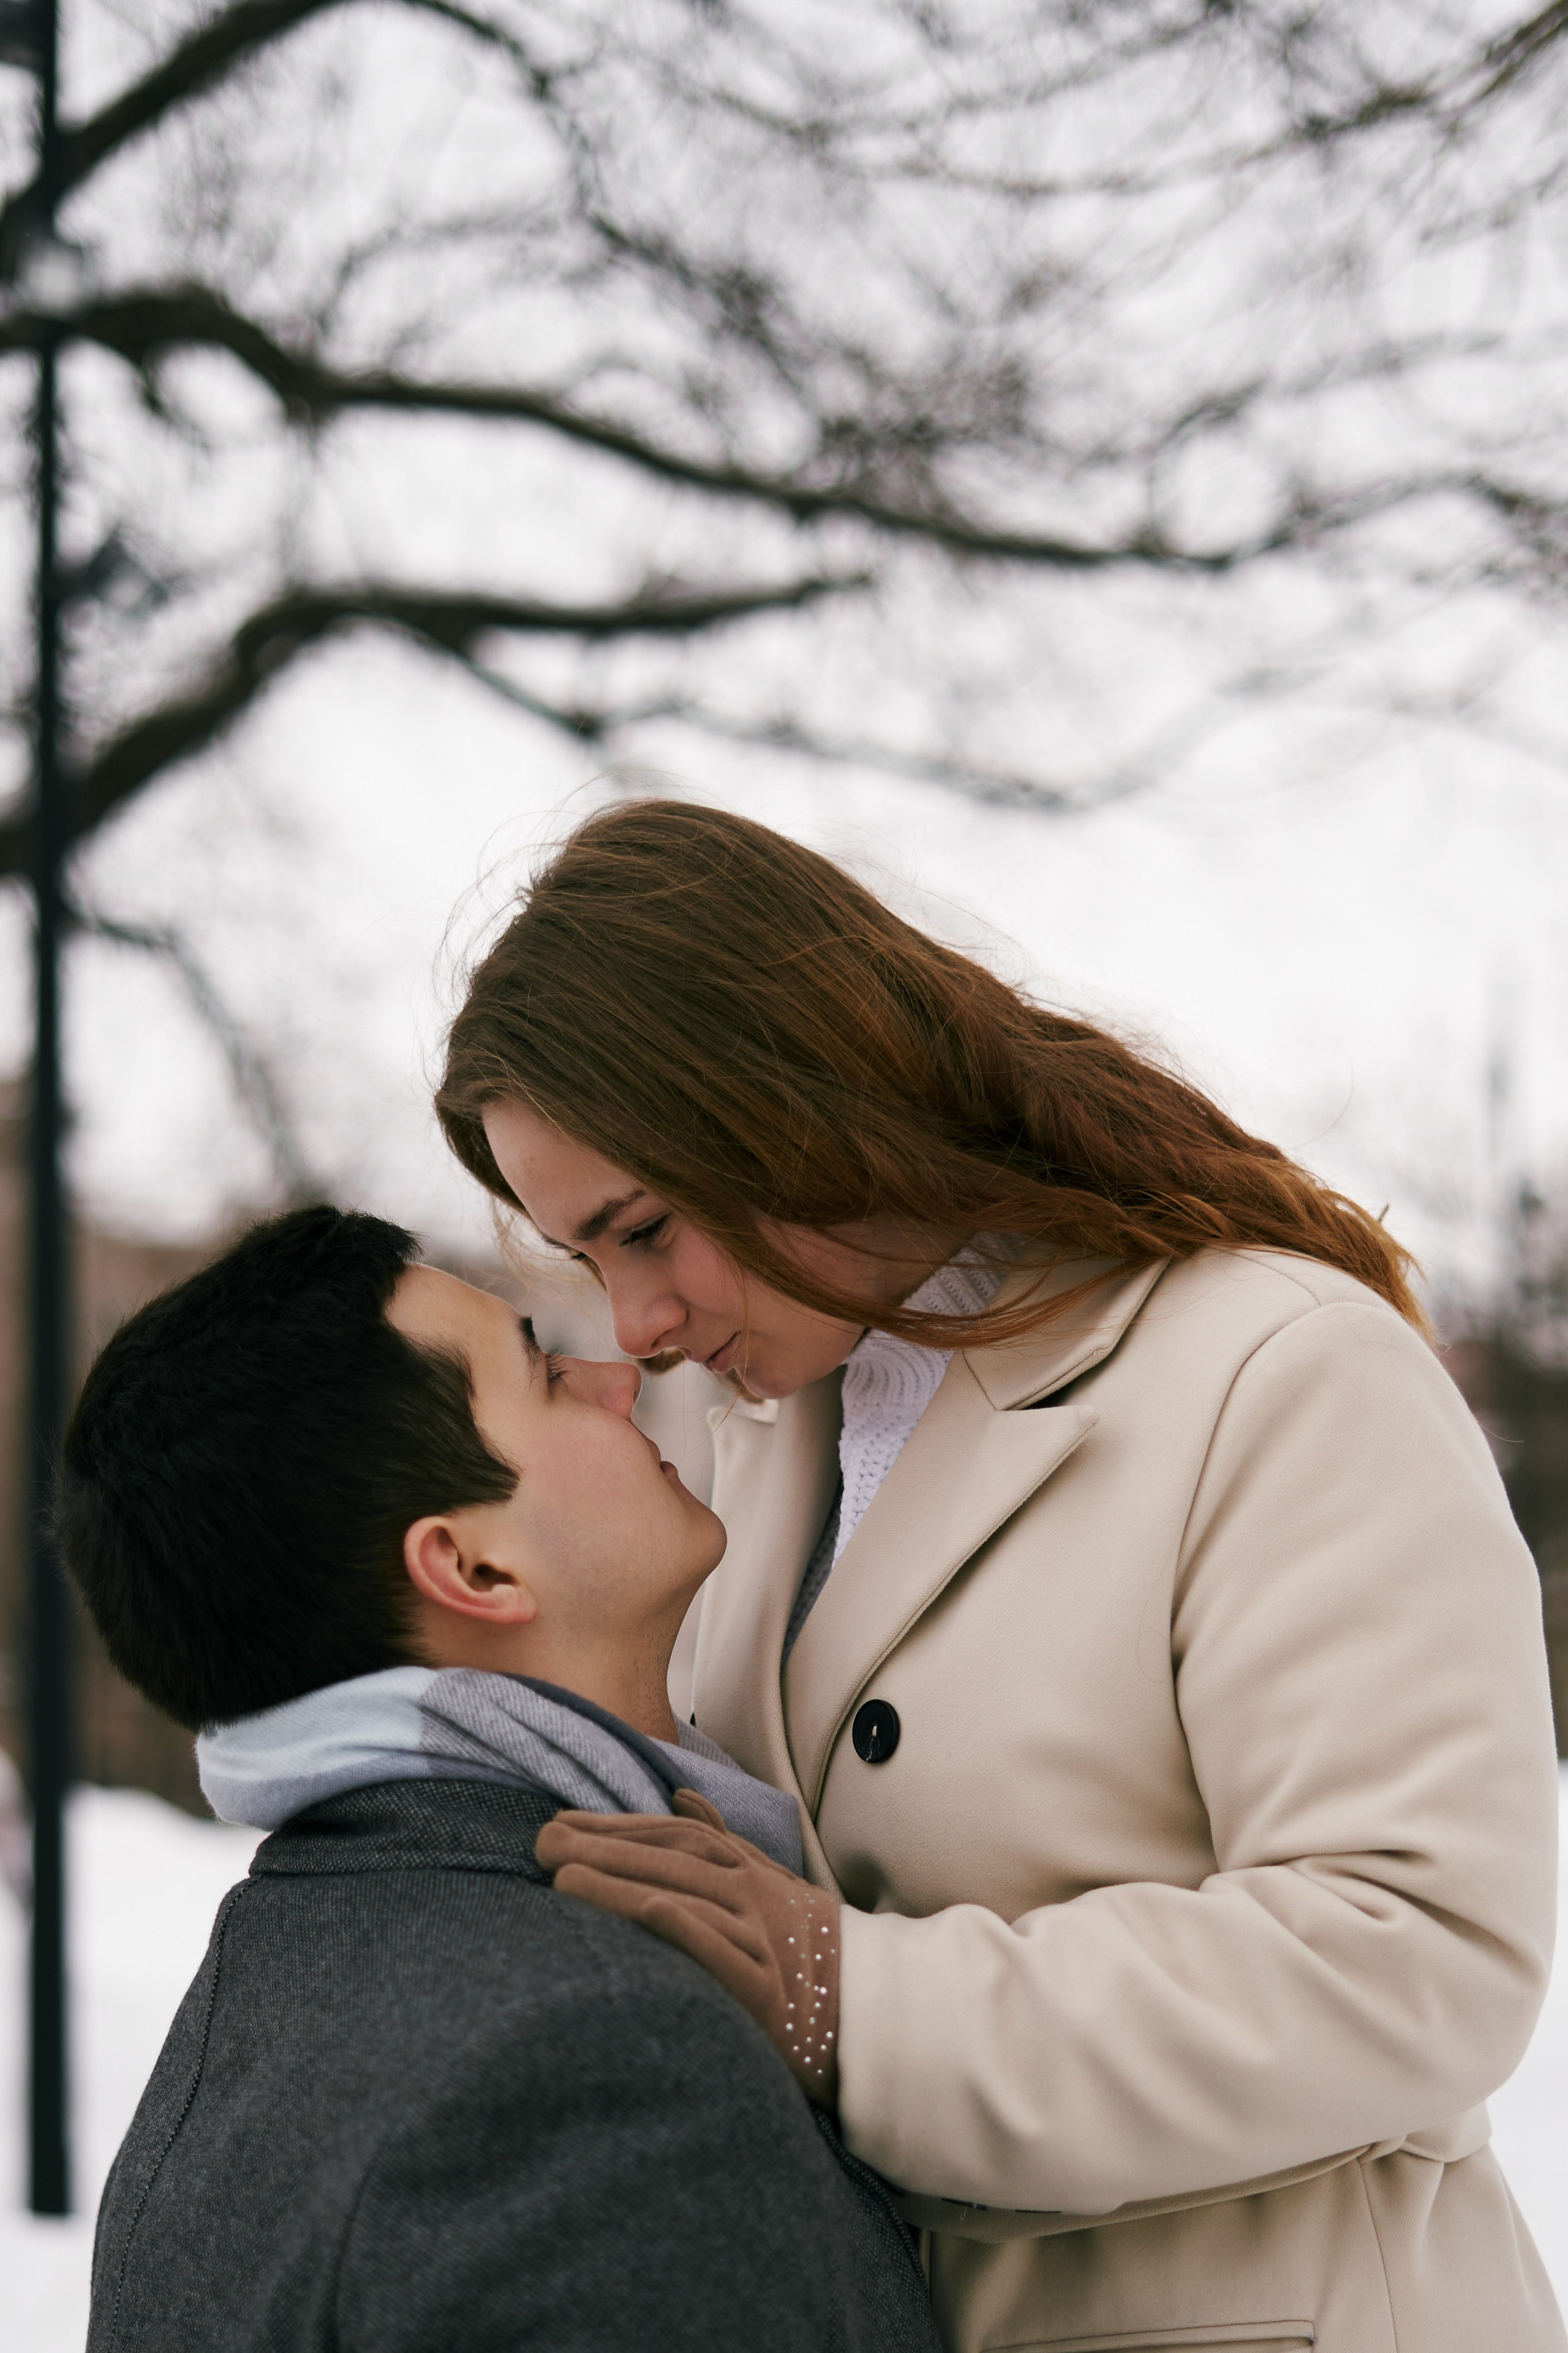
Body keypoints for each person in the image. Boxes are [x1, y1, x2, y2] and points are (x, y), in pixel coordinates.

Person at [436, 798, 1566, 2353]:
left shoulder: (1276, 1370)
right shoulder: (728, 1439)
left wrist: (858, 2004)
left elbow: (1420, 1955)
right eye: (588, 1262)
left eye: (647, 1228)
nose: (634, 1322)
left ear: (786, 1097)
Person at [55, 1204, 940, 2353]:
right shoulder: (593, 2056)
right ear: (474, 1564)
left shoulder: (262, 2001)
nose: (617, 1375)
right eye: (542, 1373)